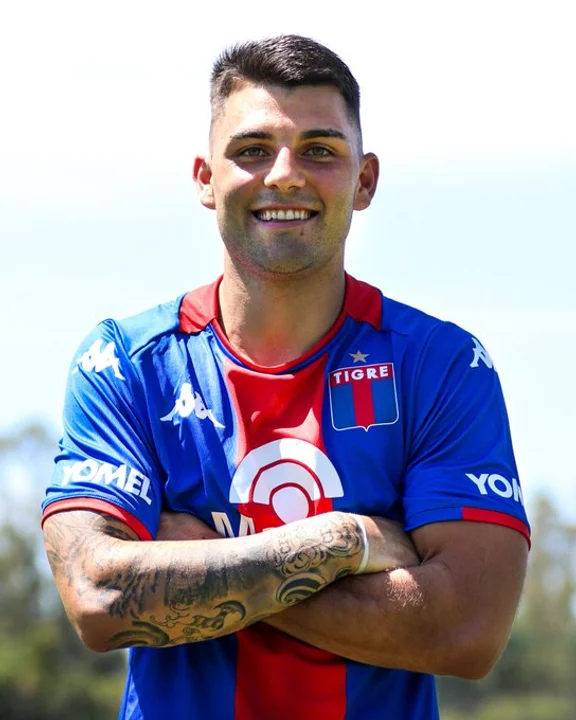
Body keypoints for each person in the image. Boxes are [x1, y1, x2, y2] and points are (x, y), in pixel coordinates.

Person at [41, 34, 530, 720]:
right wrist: (342, 544)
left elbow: (465, 630)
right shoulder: (126, 362)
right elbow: (100, 598)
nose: (284, 175)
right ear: (205, 179)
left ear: (365, 181)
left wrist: (203, 563)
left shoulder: (441, 365)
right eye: (251, 150)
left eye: (319, 150)